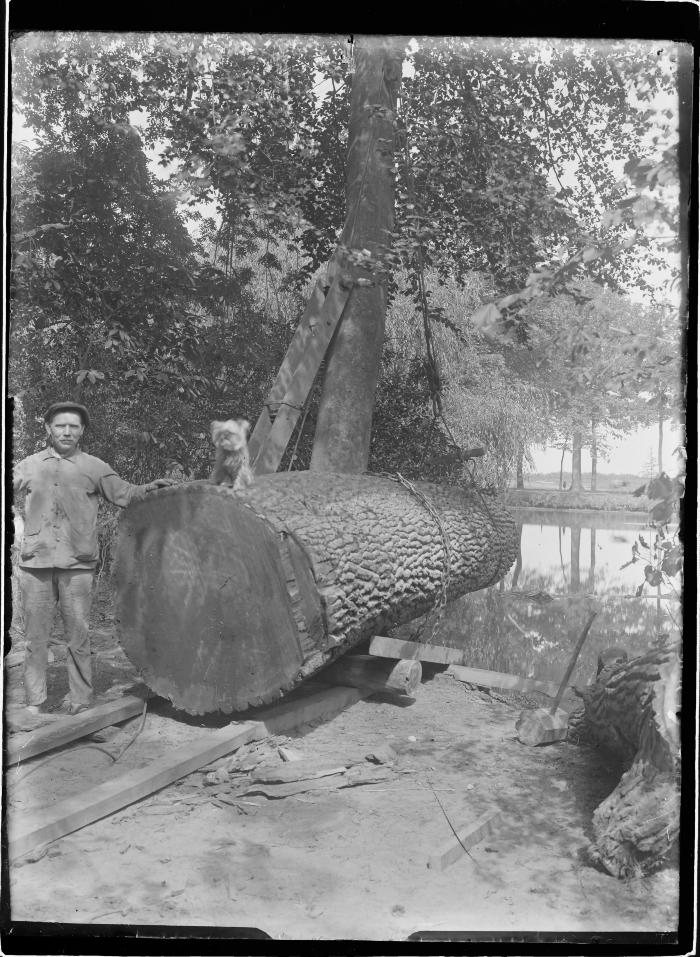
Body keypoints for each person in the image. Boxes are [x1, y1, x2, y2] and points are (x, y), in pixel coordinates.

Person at [12, 401, 176, 716]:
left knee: (78, 634)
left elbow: (124, 493)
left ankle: (80, 699)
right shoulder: (29, 465)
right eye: (60, 425)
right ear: (49, 428)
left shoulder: (94, 466)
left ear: (82, 431)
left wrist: (149, 489)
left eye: (74, 426)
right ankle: (34, 703)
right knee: (35, 638)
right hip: (36, 565)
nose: (67, 431)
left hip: (78, 566)